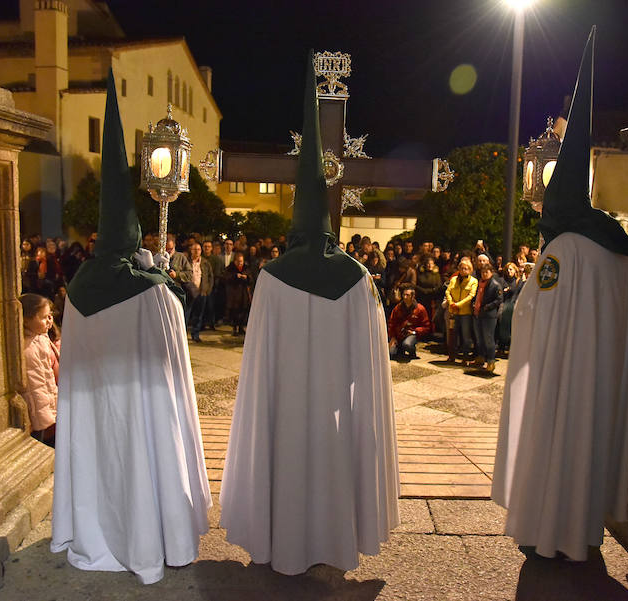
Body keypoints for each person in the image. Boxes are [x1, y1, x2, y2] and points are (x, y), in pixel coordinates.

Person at [220, 52, 398, 576]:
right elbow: (372, 366)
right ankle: (333, 545)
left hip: (283, 410)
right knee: (330, 471)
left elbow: (258, 368)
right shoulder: (358, 278)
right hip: (337, 414)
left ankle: (282, 544)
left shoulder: (271, 277)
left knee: (288, 467)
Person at [51, 72, 210, 584]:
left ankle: (95, 533)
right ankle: (153, 536)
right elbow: (174, 357)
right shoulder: (150, 291)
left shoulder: (78, 286)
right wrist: (162, 281)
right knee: (143, 456)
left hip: (96, 408)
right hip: (143, 406)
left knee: (101, 457)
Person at [492, 30, 628, 562]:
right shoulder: (616, 248)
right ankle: (586, 533)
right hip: (600, 378)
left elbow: (534, 312)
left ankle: (552, 534)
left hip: (561, 377)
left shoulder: (562, 249)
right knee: (589, 451)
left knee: (558, 454)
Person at [19, 293, 58, 446]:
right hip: (37, 409)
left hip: (47, 402)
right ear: (26, 320)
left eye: (50, 316)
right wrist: (44, 413)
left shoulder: (41, 338)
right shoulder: (27, 349)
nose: (49, 321)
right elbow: (35, 386)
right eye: (44, 317)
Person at [444, 257, 477, 364]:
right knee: (453, 335)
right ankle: (451, 356)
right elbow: (448, 291)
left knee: (466, 336)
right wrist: (451, 303)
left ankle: (465, 357)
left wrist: (458, 305)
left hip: (465, 312)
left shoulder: (473, 281)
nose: (463, 270)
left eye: (466, 268)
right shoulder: (453, 279)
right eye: (462, 268)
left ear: (470, 270)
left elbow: (471, 296)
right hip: (453, 311)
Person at [471, 263, 503, 372]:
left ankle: (491, 361)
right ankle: (480, 357)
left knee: (488, 339)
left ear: (491, 273)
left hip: (489, 315)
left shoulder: (495, 285)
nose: (484, 274)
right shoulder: (479, 283)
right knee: (479, 338)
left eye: (486, 272)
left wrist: (488, 307)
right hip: (477, 313)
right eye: (482, 272)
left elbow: (499, 299)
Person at [387, 285, 431, 360]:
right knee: (391, 353)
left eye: (407, 295)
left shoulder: (420, 309)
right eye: (403, 295)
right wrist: (392, 337)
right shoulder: (398, 308)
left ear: (413, 296)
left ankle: (412, 352)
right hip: (399, 335)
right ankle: (400, 349)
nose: (405, 297)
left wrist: (414, 332)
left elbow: (426, 327)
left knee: (407, 344)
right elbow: (392, 323)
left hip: (412, 334)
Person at [185, 241, 213, 343]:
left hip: (201, 293)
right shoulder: (186, 262)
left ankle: (195, 334)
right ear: (191, 250)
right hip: (189, 292)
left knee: (198, 315)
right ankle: (182, 335)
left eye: (198, 249)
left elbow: (210, 277)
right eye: (194, 249)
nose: (196, 251)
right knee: (186, 314)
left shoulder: (205, 263)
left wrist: (207, 290)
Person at [223, 251, 252, 336]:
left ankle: (241, 327)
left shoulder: (246, 268)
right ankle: (235, 328)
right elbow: (225, 278)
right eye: (238, 261)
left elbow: (251, 279)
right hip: (234, 294)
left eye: (241, 261)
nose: (240, 263)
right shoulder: (230, 268)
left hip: (244, 294)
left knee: (243, 311)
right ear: (235, 261)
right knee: (234, 312)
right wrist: (235, 276)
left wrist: (247, 277)